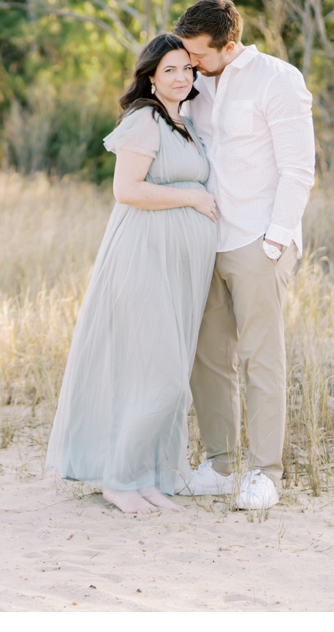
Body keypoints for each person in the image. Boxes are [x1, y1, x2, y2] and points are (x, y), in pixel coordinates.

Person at [45, 33, 219, 515]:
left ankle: (147, 476)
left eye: (187, 69)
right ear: (150, 77)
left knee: (159, 373)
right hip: (142, 258)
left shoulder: (184, 124)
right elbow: (127, 190)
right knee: (161, 375)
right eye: (170, 70)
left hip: (178, 268)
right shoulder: (145, 120)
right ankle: (119, 479)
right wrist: (192, 197)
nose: (181, 77)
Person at [173, 0, 316, 512]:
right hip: (205, 240)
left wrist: (275, 241)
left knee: (261, 357)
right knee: (206, 358)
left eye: (196, 54)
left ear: (229, 46)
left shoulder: (278, 79)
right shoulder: (193, 84)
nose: (189, 62)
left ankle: (265, 472)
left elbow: (298, 167)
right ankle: (219, 465)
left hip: (257, 240)